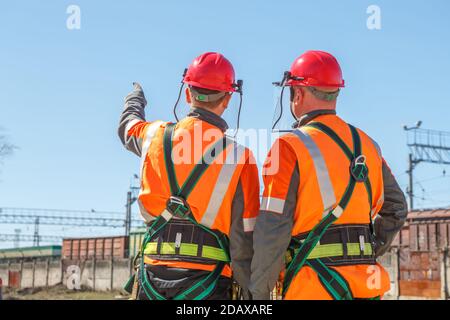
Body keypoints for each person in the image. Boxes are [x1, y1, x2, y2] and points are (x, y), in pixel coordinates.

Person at [249, 50, 407, 300]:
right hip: (366, 287)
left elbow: (273, 229)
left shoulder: (288, 147)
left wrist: (257, 293)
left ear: (297, 93)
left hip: (312, 288)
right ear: (336, 93)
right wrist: (367, 251)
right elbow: (397, 208)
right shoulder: (368, 145)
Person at [118, 52, 260, 300]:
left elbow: (127, 127)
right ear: (228, 99)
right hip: (209, 282)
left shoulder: (154, 136)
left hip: (151, 279)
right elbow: (244, 235)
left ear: (187, 93)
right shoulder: (240, 157)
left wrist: (134, 100)